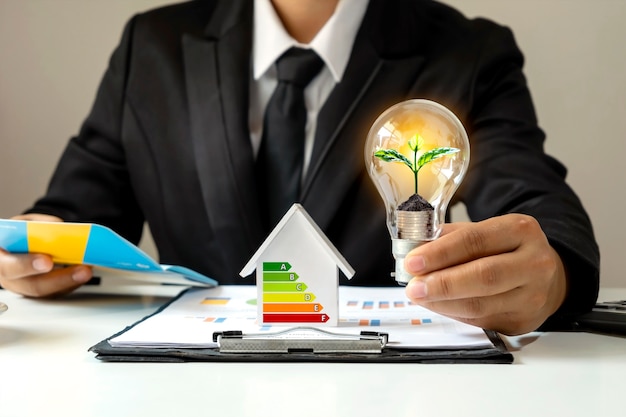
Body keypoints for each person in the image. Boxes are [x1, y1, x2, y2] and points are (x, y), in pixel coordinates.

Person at [0, 0, 599, 336]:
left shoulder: (469, 54)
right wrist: (28, 254)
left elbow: (542, 214)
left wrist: (554, 276)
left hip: (388, 392)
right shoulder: (150, 46)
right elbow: (71, 218)